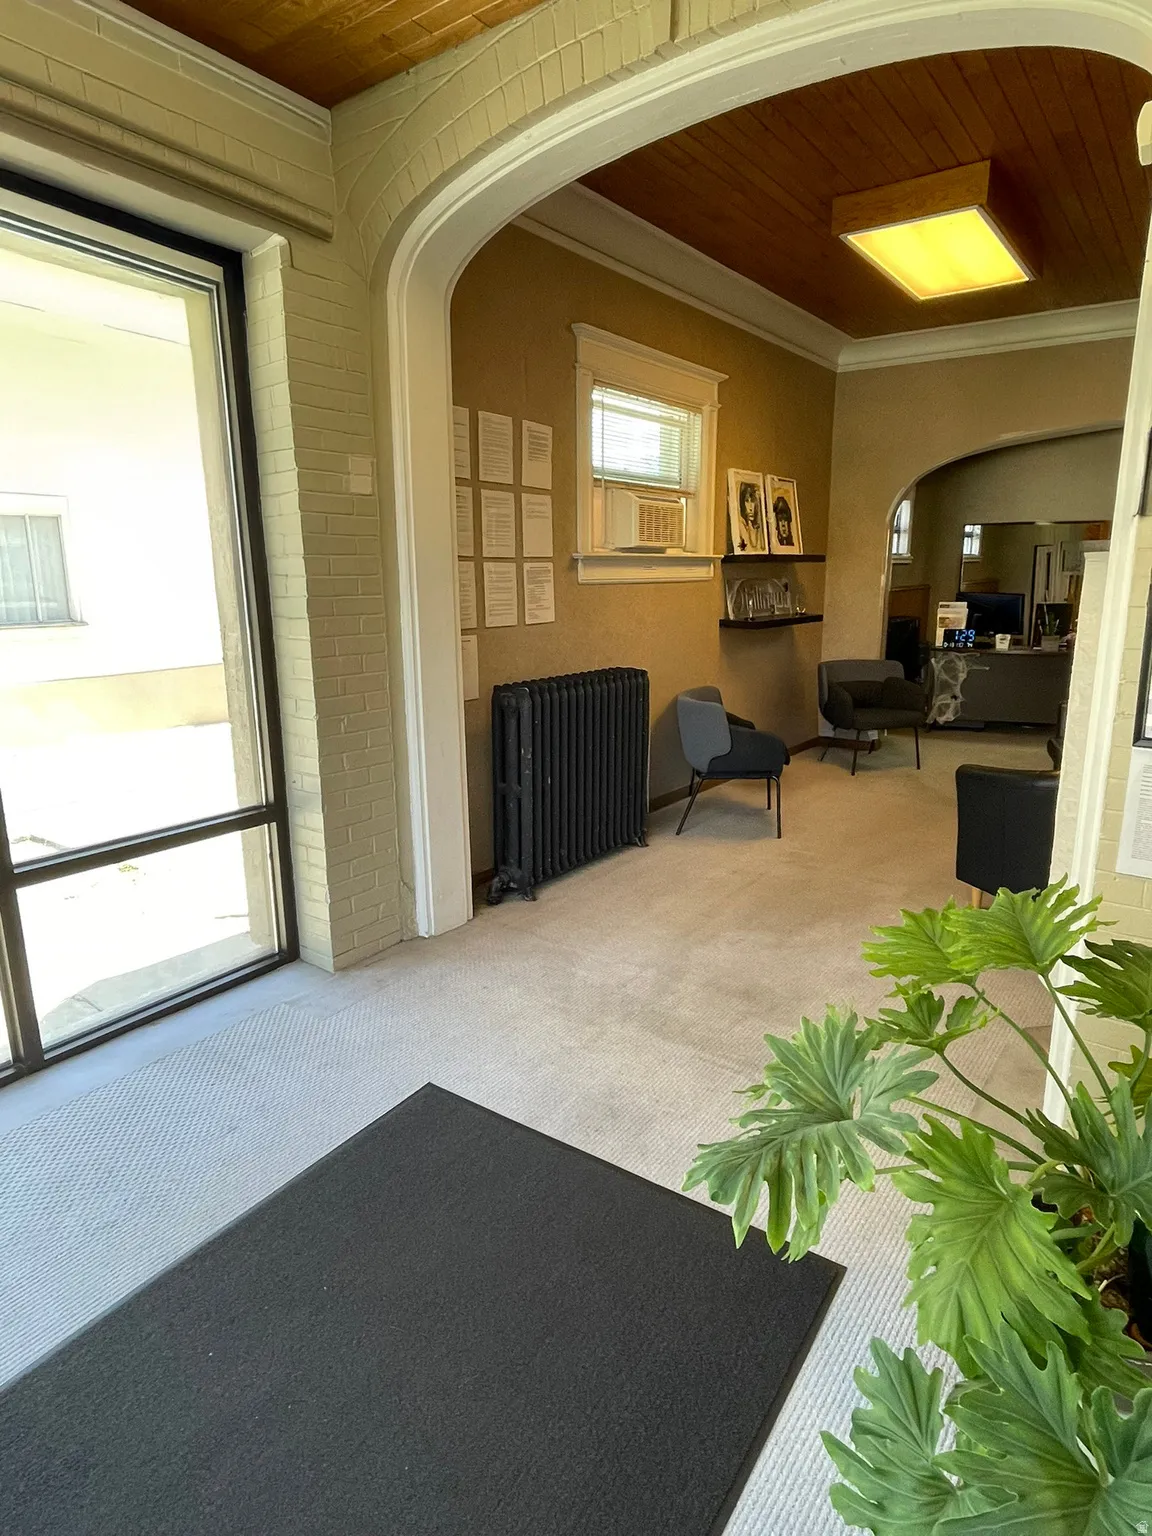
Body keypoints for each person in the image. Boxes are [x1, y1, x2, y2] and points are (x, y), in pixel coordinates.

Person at [737, 480, 765, 552]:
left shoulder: (759, 528)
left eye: (752, 501)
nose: (750, 507)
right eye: (747, 501)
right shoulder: (740, 526)